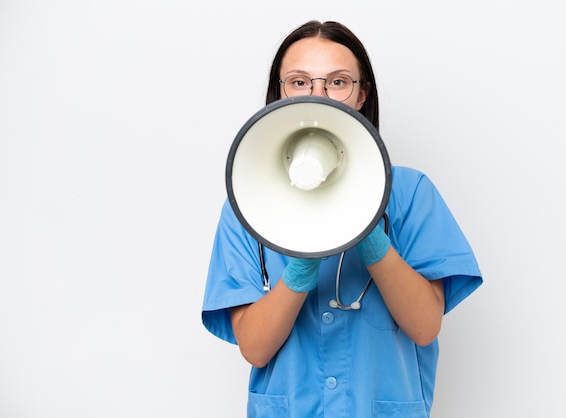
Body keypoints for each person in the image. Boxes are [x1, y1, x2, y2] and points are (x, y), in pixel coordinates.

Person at [202, 20, 483, 418]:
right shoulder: (246, 207)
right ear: (278, 91)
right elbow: (255, 347)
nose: (319, 95)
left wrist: (367, 231)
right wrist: (304, 258)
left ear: (361, 94)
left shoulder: (411, 192)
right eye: (299, 81)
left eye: (337, 82)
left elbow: (424, 326)